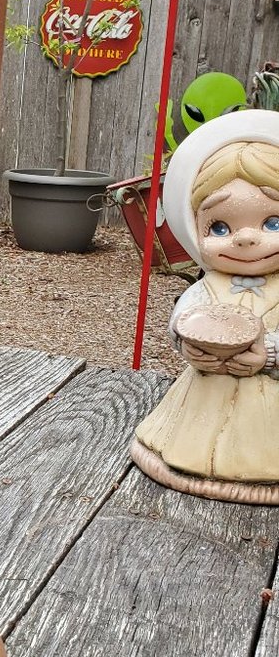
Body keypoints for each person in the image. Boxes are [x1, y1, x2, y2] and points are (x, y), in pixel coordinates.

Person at [132, 109, 279, 504]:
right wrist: (189, 344)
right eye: (220, 228)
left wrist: (268, 355)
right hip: (206, 392)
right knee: (193, 439)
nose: (246, 240)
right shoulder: (208, 285)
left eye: (272, 223)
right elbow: (185, 316)